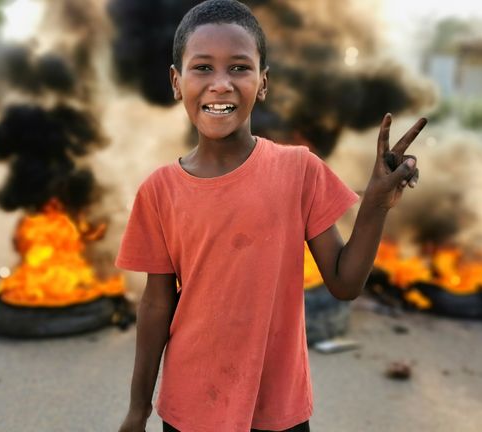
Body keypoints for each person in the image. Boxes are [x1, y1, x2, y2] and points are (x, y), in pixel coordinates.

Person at [115, 1, 425, 431]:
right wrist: (137, 408)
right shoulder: (159, 190)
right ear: (176, 81)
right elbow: (156, 303)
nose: (220, 84)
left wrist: (374, 205)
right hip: (190, 407)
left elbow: (345, 282)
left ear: (262, 83)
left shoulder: (298, 169)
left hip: (278, 408)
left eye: (239, 68)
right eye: (202, 68)